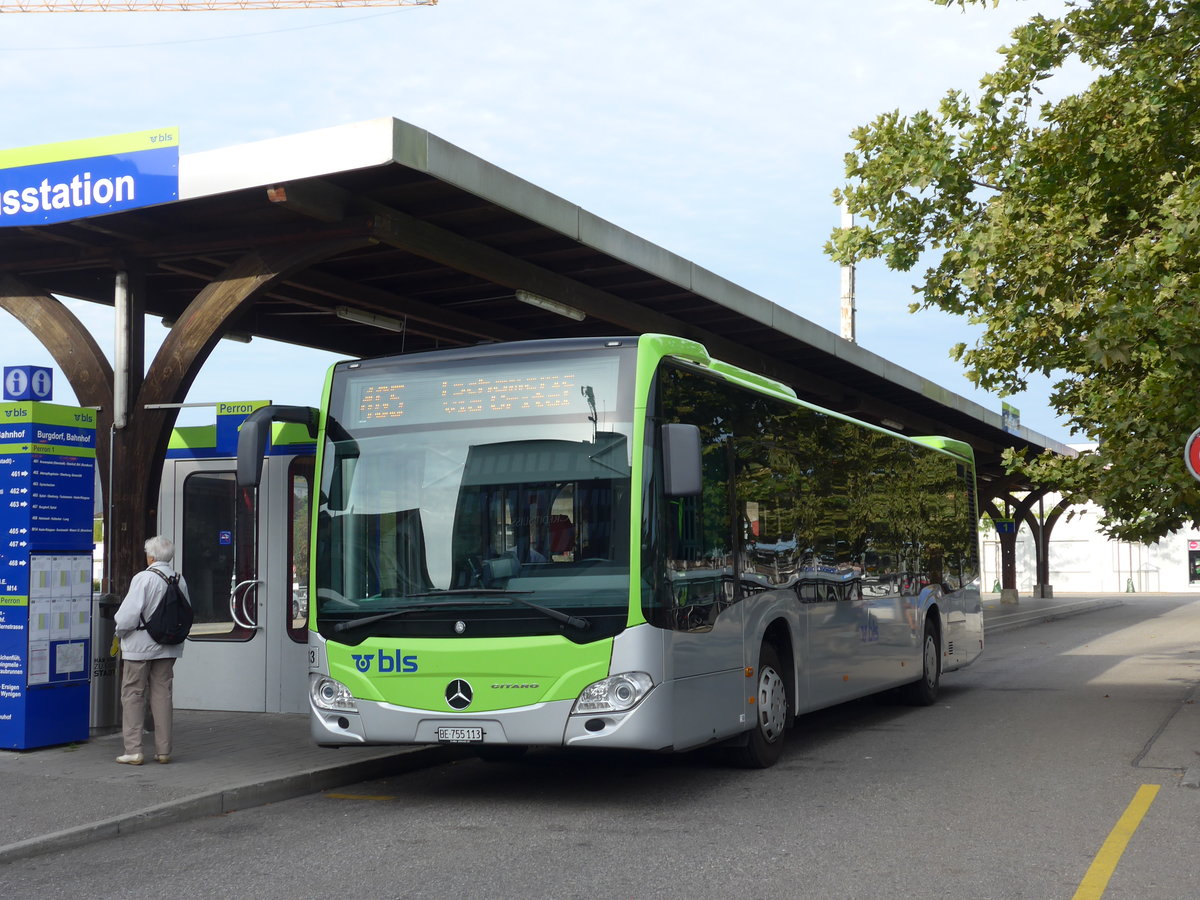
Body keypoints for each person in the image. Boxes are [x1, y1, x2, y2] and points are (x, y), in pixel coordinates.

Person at [113, 535, 189, 765]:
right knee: (162, 695)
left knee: (133, 694)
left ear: (151, 556)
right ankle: (164, 751)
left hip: (139, 647)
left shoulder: (144, 578)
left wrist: (119, 632)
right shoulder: (179, 579)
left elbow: (127, 617)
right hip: (168, 646)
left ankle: (134, 750)